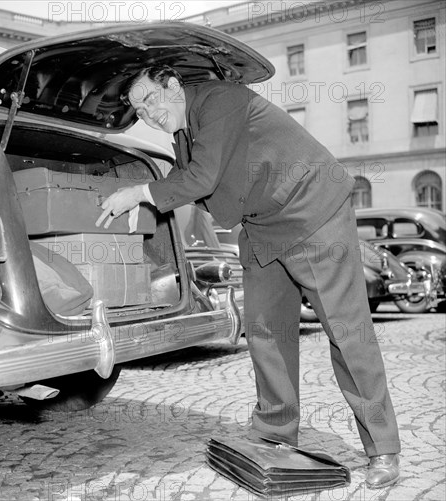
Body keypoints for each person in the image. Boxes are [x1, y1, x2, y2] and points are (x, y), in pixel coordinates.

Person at [95, 65, 401, 489]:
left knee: (347, 332)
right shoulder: (184, 136)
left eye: (151, 99)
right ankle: (275, 439)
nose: (148, 113)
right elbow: (197, 187)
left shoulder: (220, 100)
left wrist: (141, 193)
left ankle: (383, 448)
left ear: (173, 85)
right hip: (263, 226)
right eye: (138, 109)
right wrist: (148, 204)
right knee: (265, 332)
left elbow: (201, 177)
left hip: (313, 213)